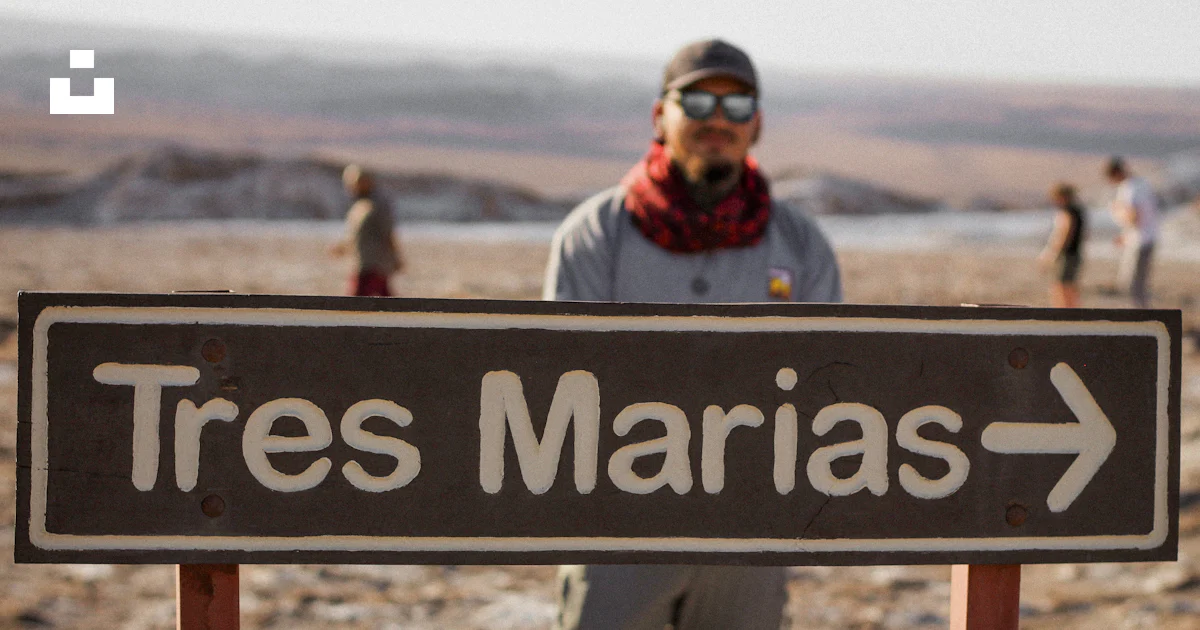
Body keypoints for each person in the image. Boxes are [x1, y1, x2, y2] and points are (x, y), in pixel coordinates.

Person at [543, 39, 842, 630]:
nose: (717, 120)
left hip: (750, 539)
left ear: (756, 124)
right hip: (617, 535)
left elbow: (826, 386)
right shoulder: (595, 236)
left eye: (736, 106)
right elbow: (563, 383)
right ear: (661, 115)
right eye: (699, 100)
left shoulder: (801, 245)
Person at [331, 164, 404, 296]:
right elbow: (355, 235)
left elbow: (387, 233)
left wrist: (396, 257)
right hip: (361, 262)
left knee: (358, 305)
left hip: (374, 266)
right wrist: (342, 247)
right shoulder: (359, 207)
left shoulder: (377, 206)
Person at [1105, 156, 1160, 308]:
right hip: (1146, 237)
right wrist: (1125, 235)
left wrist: (1116, 211)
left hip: (1140, 240)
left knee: (1132, 285)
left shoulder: (1130, 187)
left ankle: (1141, 321)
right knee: (1138, 285)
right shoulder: (1142, 184)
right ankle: (1142, 318)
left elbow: (1133, 216)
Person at [1037, 182, 1087, 307]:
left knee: (1061, 286)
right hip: (1074, 253)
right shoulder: (1077, 211)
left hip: (1067, 254)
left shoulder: (1068, 211)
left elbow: (1063, 235)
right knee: (1068, 285)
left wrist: (1051, 255)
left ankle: (1064, 313)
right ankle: (1072, 312)